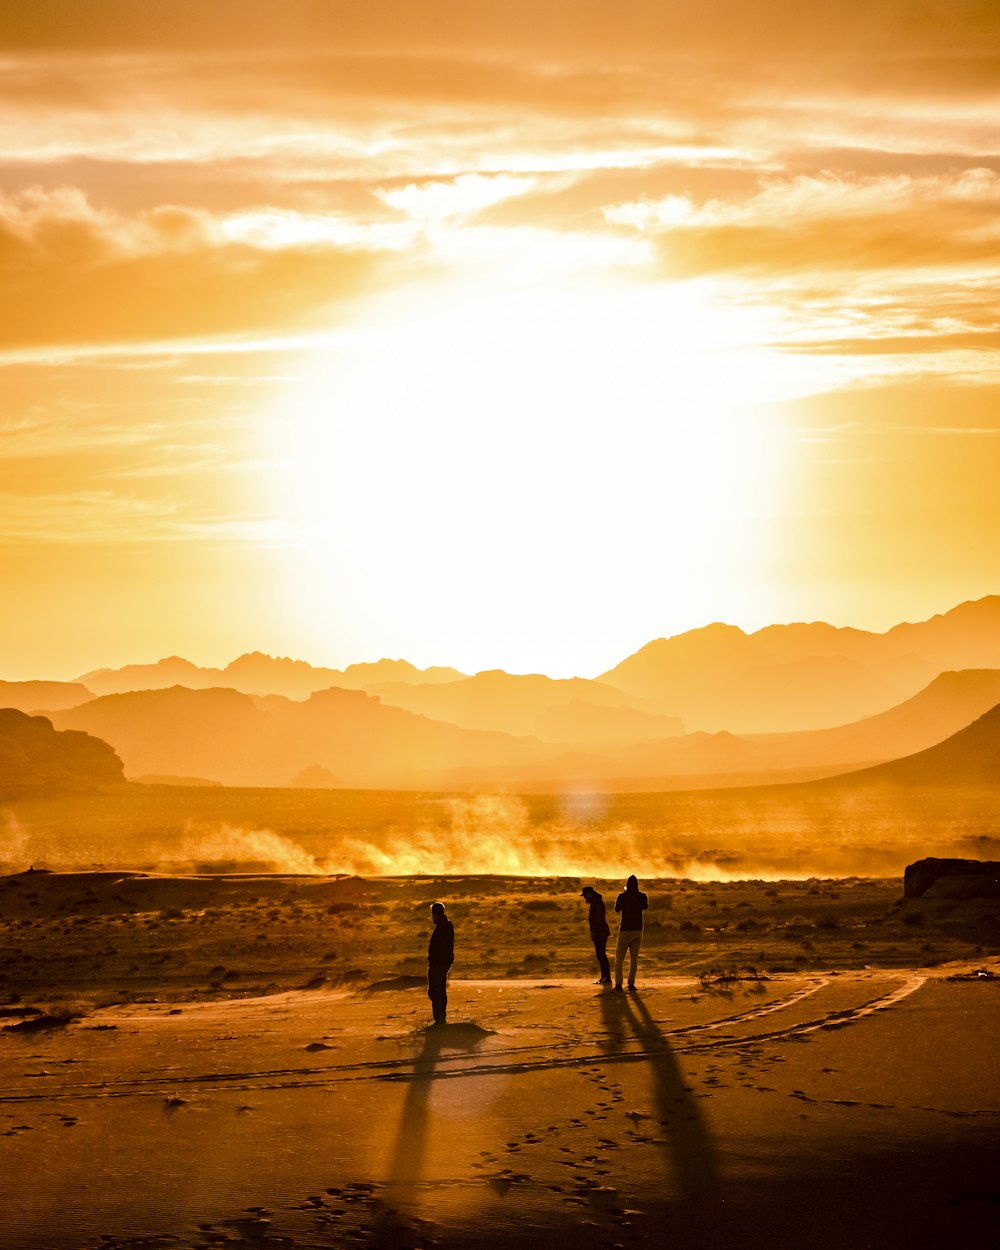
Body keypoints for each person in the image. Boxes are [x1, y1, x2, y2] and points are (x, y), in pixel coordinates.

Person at [613, 874, 648, 991]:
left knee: (619, 958)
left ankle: (618, 984)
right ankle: (631, 983)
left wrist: (624, 893)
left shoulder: (622, 896)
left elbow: (617, 909)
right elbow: (645, 907)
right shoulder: (642, 896)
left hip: (625, 930)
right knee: (634, 958)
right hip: (637, 929)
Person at [427, 901, 454, 1025]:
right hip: (441, 963)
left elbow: (442, 947)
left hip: (439, 964)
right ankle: (440, 1017)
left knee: (435, 991)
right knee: (439, 990)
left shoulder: (444, 926)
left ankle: (439, 1018)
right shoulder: (445, 925)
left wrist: (436, 962)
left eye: (433, 913)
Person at [581, 885, 611, 984]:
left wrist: (594, 931)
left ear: (590, 894)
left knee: (601, 954)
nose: (585, 898)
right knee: (601, 954)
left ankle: (606, 977)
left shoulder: (597, 903)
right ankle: (605, 977)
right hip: (601, 931)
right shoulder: (597, 902)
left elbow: (598, 919)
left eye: (585, 895)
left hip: (600, 932)